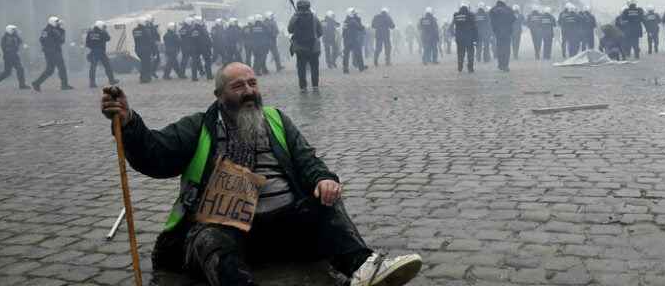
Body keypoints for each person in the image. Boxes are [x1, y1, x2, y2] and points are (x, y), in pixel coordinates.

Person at [98, 64, 423, 286]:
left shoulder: (276, 120)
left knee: (326, 203)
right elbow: (156, 155)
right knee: (210, 237)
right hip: (226, 228)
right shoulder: (199, 126)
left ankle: (363, 267)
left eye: (252, 83)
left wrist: (324, 180)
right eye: (238, 86)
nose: (249, 91)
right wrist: (129, 123)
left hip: (283, 226)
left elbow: (307, 161)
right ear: (219, 95)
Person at [288, 0, 323, 91]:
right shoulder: (314, 17)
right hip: (313, 47)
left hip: (300, 47)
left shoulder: (295, 17)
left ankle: (303, 87)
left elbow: (290, 30)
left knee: (301, 68)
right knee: (314, 67)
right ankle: (315, 85)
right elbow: (320, 32)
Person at [32, 16, 73, 92]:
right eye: (57, 22)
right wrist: (61, 30)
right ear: (53, 22)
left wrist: (60, 29)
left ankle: (36, 83)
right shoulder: (51, 30)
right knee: (61, 68)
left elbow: (43, 40)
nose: (58, 23)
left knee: (50, 70)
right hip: (53, 52)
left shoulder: (50, 30)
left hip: (51, 51)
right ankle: (64, 85)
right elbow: (60, 40)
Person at [0, 25, 29, 91]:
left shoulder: (15, 36)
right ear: (9, 30)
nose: (15, 31)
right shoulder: (5, 37)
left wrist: (23, 45)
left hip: (14, 56)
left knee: (10, 72)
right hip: (9, 56)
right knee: (15, 70)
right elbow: (5, 47)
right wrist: (13, 49)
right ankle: (22, 85)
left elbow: (20, 42)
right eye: (13, 30)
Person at [85, 20, 119, 88]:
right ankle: (111, 80)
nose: (104, 28)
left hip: (93, 51)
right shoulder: (102, 32)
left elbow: (87, 43)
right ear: (100, 26)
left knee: (93, 67)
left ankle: (92, 83)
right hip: (101, 51)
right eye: (103, 26)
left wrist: (92, 47)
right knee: (107, 66)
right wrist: (105, 31)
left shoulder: (90, 33)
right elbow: (108, 38)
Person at [489, 0, 516, 72]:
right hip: (507, 32)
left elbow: (491, 21)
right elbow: (513, 19)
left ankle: (500, 64)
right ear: (504, 0)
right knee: (506, 49)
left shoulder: (493, 10)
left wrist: (495, 30)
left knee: (499, 48)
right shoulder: (509, 9)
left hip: (498, 32)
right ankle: (505, 65)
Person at [452, 1, 477, 73]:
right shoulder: (471, 14)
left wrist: (454, 35)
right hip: (469, 37)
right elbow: (475, 27)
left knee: (460, 53)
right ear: (468, 7)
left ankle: (460, 67)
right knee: (470, 53)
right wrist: (476, 38)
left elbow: (452, 25)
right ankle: (470, 68)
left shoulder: (456, 15)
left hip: (459, 38)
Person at [189, 16, 215, 81]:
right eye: (201, 21)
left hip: (198, 48)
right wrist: (209, 45)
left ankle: (195, 77)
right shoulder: (199, 29)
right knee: (206, 61)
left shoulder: (195, 28)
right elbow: (203, 39)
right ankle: (209, 75)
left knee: (196, 62)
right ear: (198, 21)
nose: (203, 22)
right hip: (202, 48)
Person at [342, 8, 366, 73]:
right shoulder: (353, 21)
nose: (354, 14)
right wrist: (360, 21)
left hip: (347, 40)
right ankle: (361, 67)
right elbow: (360, 28)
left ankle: (345, 69)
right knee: (358, 53)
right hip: (354, 39)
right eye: (353, 13)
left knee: (346, 55)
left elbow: (343, 32)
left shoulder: (345, 21)